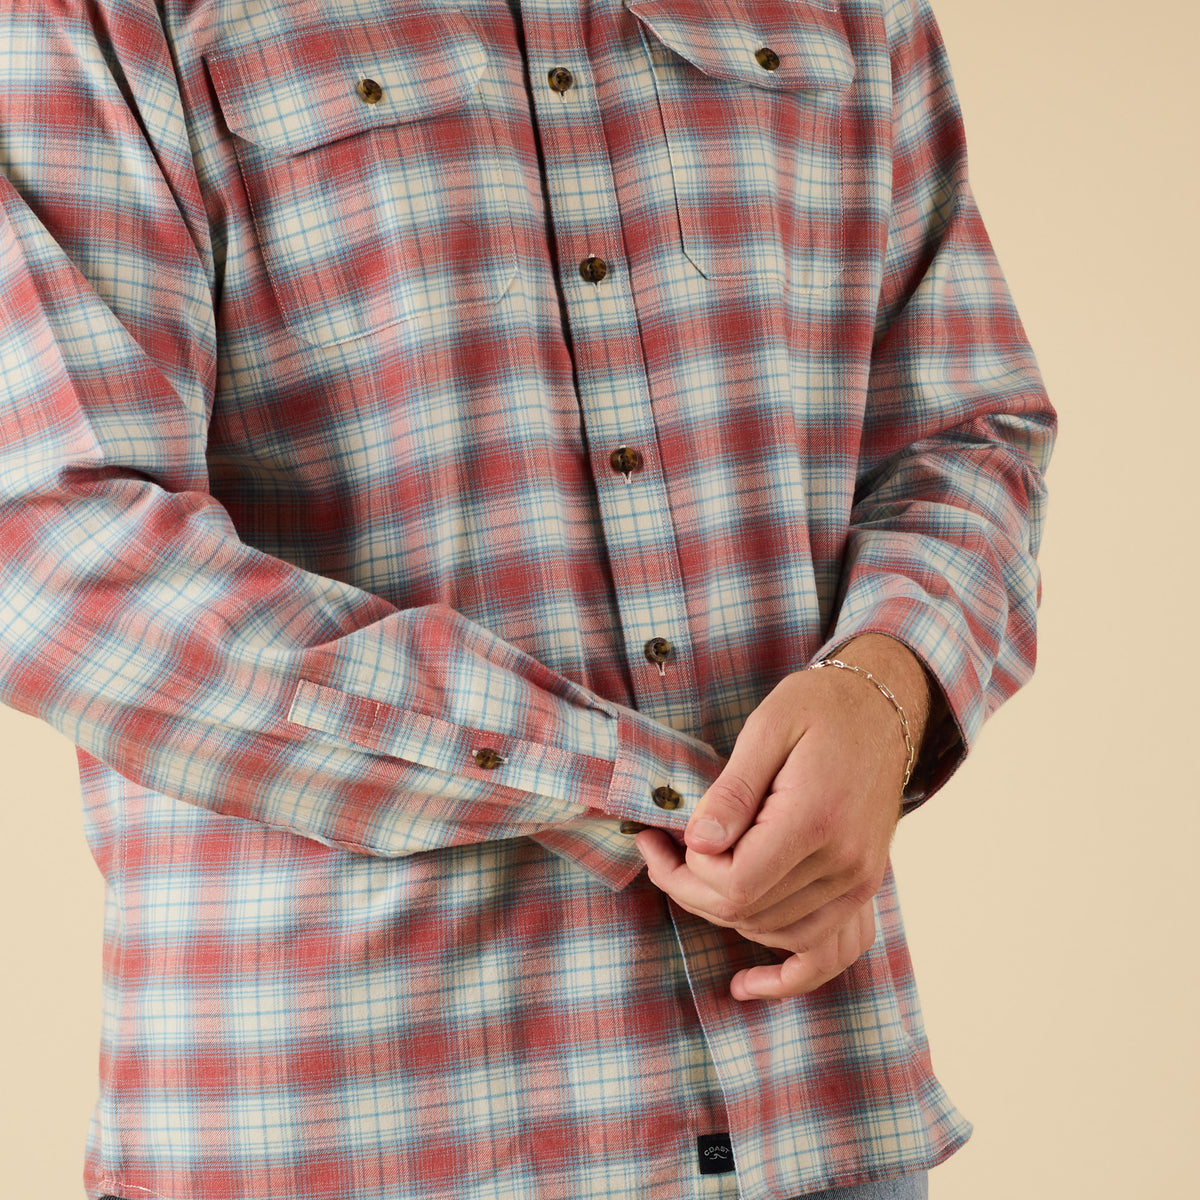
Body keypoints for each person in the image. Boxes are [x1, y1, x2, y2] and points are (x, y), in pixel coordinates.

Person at [0, 0, 1055, 1197]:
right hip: (343, 1134)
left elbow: (971, 429)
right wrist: (655, 792)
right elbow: (54, 547)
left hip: (805, 1117)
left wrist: (885, 697)